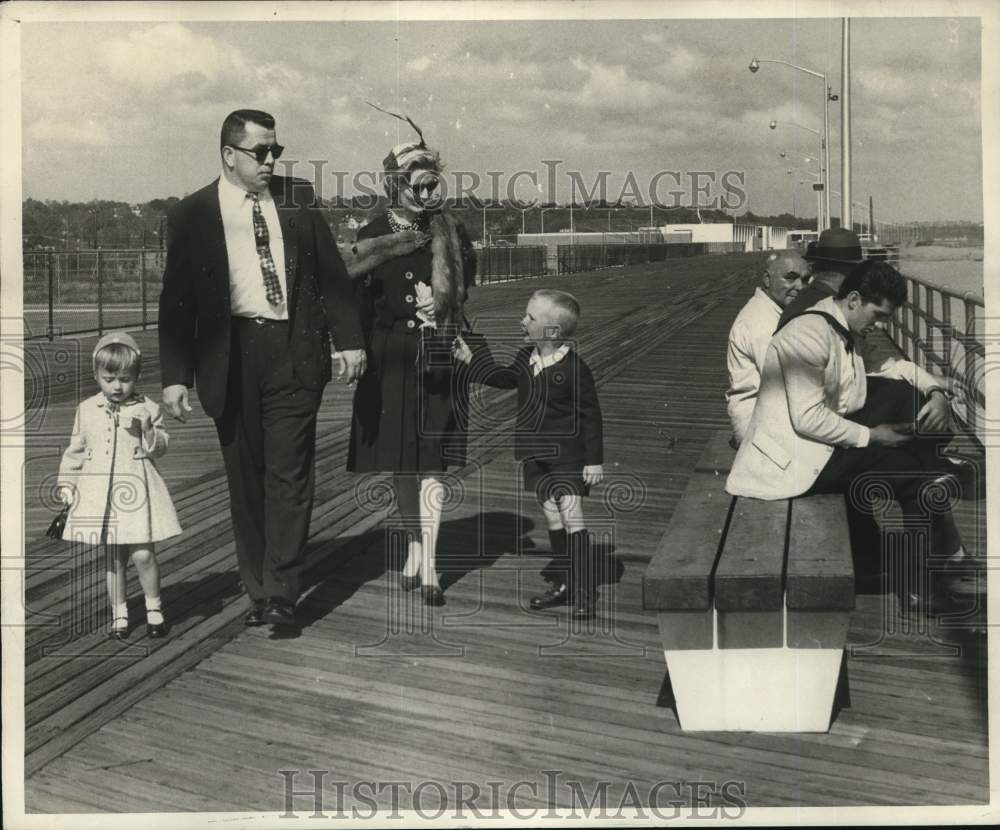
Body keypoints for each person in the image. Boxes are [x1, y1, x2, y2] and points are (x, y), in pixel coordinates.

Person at [158, 109, 366, 630]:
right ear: (229, 155)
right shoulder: (192, 214)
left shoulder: (297, 198)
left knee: (289, 473)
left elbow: (331, 276)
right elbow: (176, 302)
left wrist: (349, 341)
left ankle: (282, 591)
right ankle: (257, 588)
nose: (272, 161)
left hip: (293, 349)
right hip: (229, 357)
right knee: (246, 482)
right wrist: (175, 375)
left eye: (276, 151)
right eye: (260, 152)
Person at [726, 260, 972, 613]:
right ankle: (918, 584)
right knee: (914, 474)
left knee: (906, 405)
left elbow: (890, 368)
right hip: (791, 462)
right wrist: (872, 435)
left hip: (818, 447)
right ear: (854, 299)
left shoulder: (843, 327)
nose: (882, 325)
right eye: (879, 315)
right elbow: (808, 418)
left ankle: (912, 575)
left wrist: (935, 390)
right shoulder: (807, 334)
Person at [346, 131, 476, 607]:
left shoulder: (450, 231)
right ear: (394, 186)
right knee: (401, 462)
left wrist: (443, 312)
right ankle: (415, 547)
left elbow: (466, 282)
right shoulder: (371, 235)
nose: (425, 196)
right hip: (389, 359)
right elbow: (356, 301)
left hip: (437, 354)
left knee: (432, 463)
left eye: (431, 186)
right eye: (416, 188)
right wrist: (354, 351)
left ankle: (433, 568)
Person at [458, 290, 605, 619]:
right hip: (535, 455)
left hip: (569, 456)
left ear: (552, 331)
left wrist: (594, 459)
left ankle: (583, 592)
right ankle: (566, 584)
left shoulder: (575, 367)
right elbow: (504, 378)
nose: (522, 321)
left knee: (572, 516)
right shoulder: (526, 358)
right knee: (553, 515)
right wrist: (472, 360)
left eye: (530, 318)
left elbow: (591, 416)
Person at [57, 332, 181, 640]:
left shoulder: (148, 408)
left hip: (137, 492)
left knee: (143, 555)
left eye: (125, 379)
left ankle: (154, 608)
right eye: (109, 378)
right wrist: (67, 484)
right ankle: (120, 613)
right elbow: (75, 451)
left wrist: (149, 429)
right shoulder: (86, 409)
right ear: (96, 375)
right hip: (102, 496)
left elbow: (161, 447)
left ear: (136, 376)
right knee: (114, 559)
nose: (117, 386)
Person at [726, 250, 810, 446]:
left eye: (805, 280)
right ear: (767, 279)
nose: (800, 286)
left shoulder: (771, 310)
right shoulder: (761, 322)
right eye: (790, 278)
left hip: (767, 415)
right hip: (756, 428)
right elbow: (789, 381)